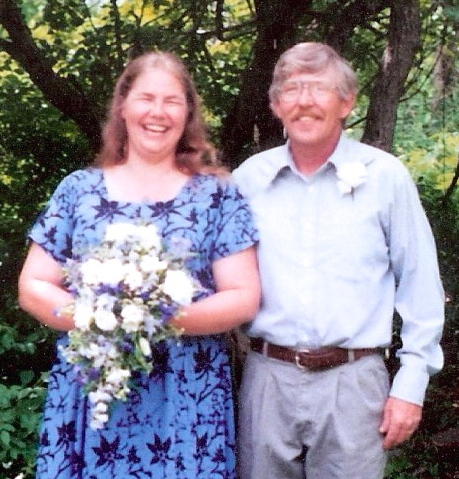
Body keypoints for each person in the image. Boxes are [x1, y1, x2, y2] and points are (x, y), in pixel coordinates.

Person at [18, 51, 260, 479]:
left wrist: (153, 319)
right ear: (123, 106)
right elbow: (33, 285)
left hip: (188, 397)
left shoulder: (218, 196)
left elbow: (243, 298)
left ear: (188, 114)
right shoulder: (79, 191)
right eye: (147, 98)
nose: (158, 112)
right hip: (94, 392)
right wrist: (99, 319)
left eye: (172, 101)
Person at [233, 42, 444, 479]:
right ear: (275, 105)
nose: (305, 101)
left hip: (353, 382)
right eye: (292, 89)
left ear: (346, 102)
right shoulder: (248, 179)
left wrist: (411, 385)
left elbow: (419, 282)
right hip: (267, 380)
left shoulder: (385, 177)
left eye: (320, 89)